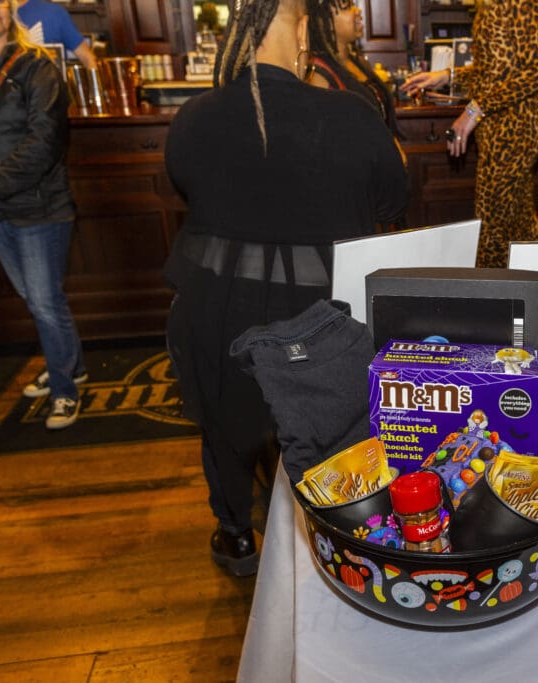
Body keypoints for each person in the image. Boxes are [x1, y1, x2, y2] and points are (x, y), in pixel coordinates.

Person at [164, 0, 408, 576]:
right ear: (303, 33)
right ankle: (347, 534)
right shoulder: (348, 116)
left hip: (217, 316)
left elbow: (188, 190)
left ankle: (236, 535)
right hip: (320, 322)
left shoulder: (193, 118)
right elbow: (394, 200)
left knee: (224, 431)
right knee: (336, 433)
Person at [0, 0, 87, 430]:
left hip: (40, 207)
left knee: (45, 302)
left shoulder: (37, 65)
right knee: (38, 300)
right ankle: (70, 364)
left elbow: (44, 142)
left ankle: (65, 390)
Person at [401, 0, 538, 268]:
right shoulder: (491, 4)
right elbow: (490, 73)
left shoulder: (524, 3)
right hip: (495, 132)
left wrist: (473, 111)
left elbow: (535, 75)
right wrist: (446, 76)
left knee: (491, 227)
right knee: (520, 225)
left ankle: (491, 290)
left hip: (515, 133)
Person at [306, 0, 398, 135]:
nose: (358, 11)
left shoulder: (359, 62)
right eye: (347, 7)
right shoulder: (318, 74)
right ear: (325, 21)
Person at [15, 0, 98, 69]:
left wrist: (94, 82)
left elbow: (87, 58)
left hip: (52, 82)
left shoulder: (54, 13)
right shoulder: (7, 18)